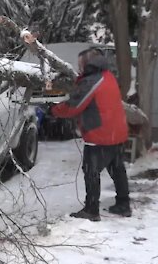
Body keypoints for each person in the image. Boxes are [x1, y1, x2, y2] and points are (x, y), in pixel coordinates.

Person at [51, 48, 132, 222]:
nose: (79, 67)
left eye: (80, 63)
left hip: (99, 134)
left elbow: (74, 106)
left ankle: (91, 209)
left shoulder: (92, 81)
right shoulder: (107, 76)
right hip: (115, 132)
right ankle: (123, 204)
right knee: (117, 169)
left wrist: (54, 110)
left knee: (91, 172)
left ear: (88, 63)